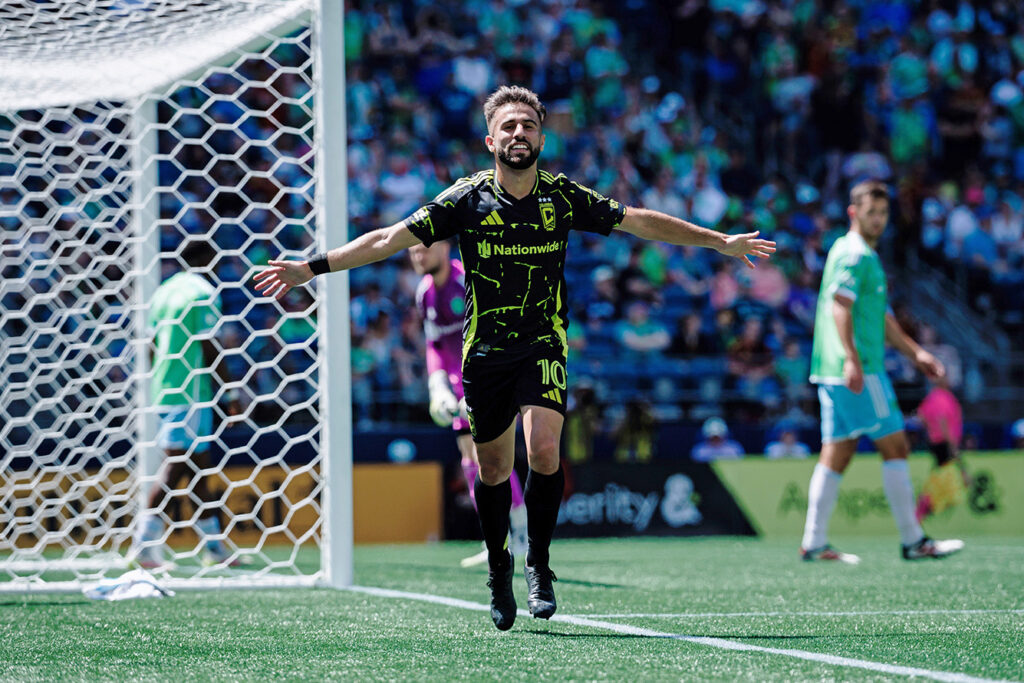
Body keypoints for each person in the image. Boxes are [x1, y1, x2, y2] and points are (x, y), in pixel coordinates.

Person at [254, 85, 775, 631]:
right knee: (494, 469)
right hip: (485, 353)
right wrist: (309, 268)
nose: (518, 133)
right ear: (490, 140)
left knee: (544, 450)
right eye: (508, 126)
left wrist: (720, 242)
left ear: (542, 139)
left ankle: (539, 565)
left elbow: (639, 221)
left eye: (528, 125)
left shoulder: (562, 197)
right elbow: (389, 238)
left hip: (543, 343)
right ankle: (498, 566)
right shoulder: (465, 199)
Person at [800, 180, 964, 564]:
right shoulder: (856, 255)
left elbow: (881, 318)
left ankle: (814, 543)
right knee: (896, 447)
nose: (878, 220)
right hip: (861, 370)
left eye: (883, 213)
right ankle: (913, 540)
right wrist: (852, 358)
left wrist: (916, 353)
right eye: (871, 212)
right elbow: (840, 306)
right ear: (853, 212)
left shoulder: (851, 251)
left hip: (831, 370)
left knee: (837, 453)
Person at [408, 238, 528, 568]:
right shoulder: (424, 292)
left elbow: (497, 333)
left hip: (487, 380)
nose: (418, 256)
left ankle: (521, 534)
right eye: (413, 251)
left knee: (491, 457)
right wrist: (437, 384)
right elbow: (434, 344)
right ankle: (495, 539)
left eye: (424, 249)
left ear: (444, 247)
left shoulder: (467, 281)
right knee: (470, 460)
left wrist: (485, 387)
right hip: (457, 389)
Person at [131, 240, 242, 569]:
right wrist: (231, 393)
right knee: (176, 466)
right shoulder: (202, 292)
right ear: (206, 258)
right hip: (191, 391)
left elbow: (151, 344)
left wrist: (161, 377)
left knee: (198, 471)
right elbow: (209, 345)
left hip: (165, 387)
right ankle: (142, 546)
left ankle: (214, 548)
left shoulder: (164, 291)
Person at [915, 375, 968, 522]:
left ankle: (925, 505)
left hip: (935, 443)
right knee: (949, 481)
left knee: (940, 476)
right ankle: (926, 505)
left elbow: (921, 416)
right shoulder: (943, 398)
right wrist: (952, 445)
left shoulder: (931, 398)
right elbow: (942, 421)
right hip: (944, 442)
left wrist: (930, 430)